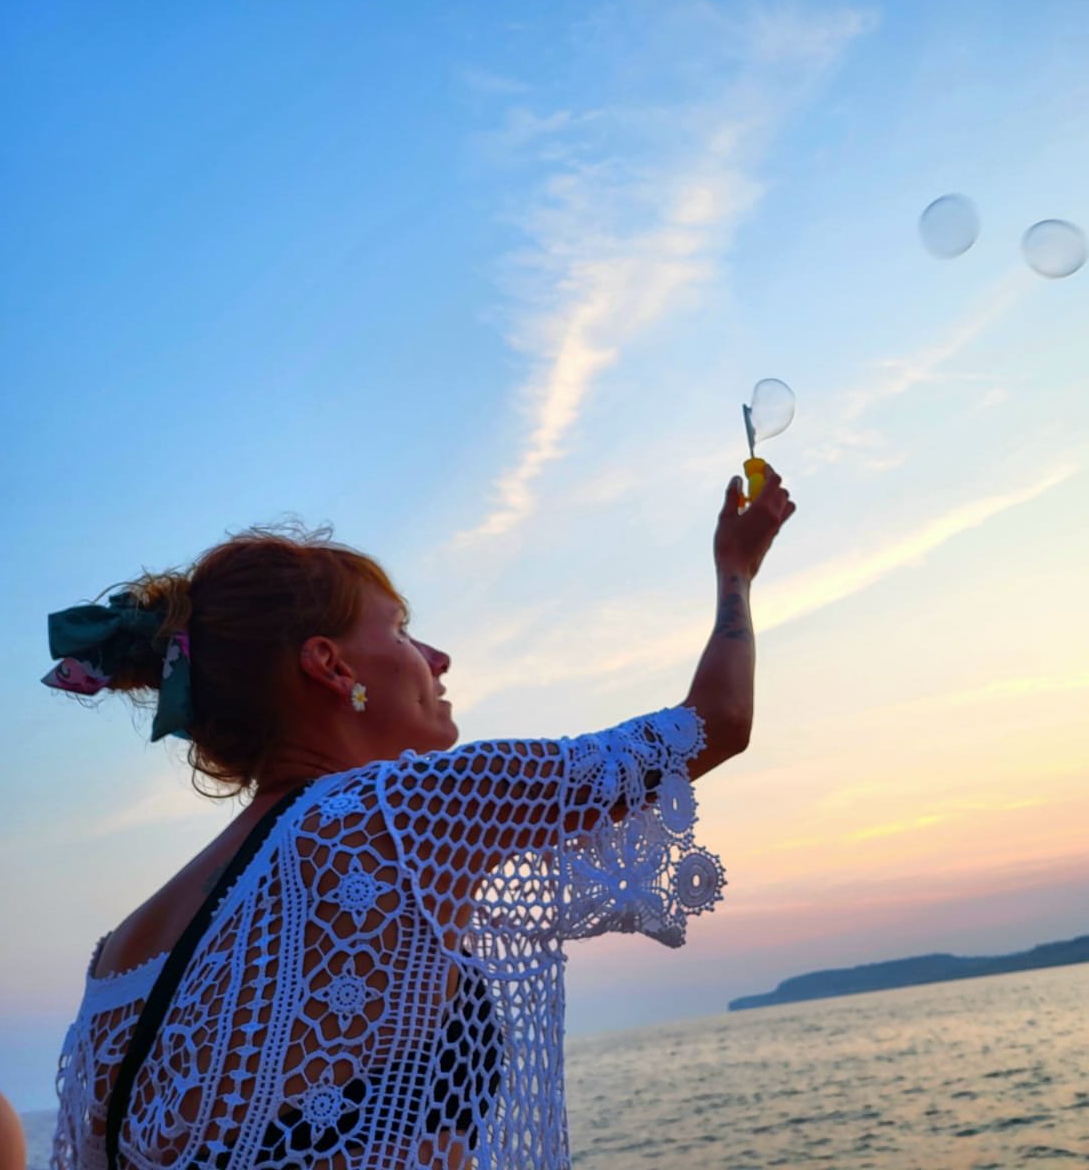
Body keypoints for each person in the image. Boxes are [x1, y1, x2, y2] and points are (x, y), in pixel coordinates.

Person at [43, 468, 795, 1170]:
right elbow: (714, 723)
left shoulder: (117, 959)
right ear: (331, 666)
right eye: (401, 629)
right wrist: (737, 571)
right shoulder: (395, 815)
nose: (437, 658)